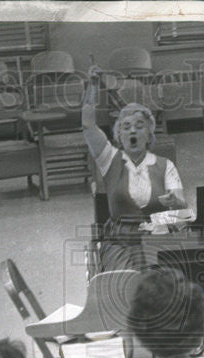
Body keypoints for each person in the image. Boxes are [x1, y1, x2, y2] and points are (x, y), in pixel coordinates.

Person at [83, 64, 186, 272]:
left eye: (139, 126)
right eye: (126, 127)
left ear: (149, 134)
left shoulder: (166, 166)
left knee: (168, 288)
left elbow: (182, 214)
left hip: (157, 239)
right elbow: (88, 124)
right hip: (120, 243)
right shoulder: (109, 158)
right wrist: (93, 86)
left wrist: (177, 203)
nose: (133, 131)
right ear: (118, 135)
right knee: (126, 289)